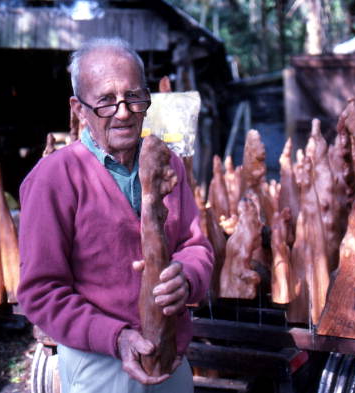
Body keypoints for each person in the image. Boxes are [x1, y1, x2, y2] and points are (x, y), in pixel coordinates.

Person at [17, 37, 213, 393]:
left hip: (171, 357)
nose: (123, 112)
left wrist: (187, 278)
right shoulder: (53, 179)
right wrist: (115, 337)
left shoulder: (168, 165)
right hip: (100, 363)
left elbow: (195, 245)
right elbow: (40, 291)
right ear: (78, 109)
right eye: (106, 101)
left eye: (134, 97)